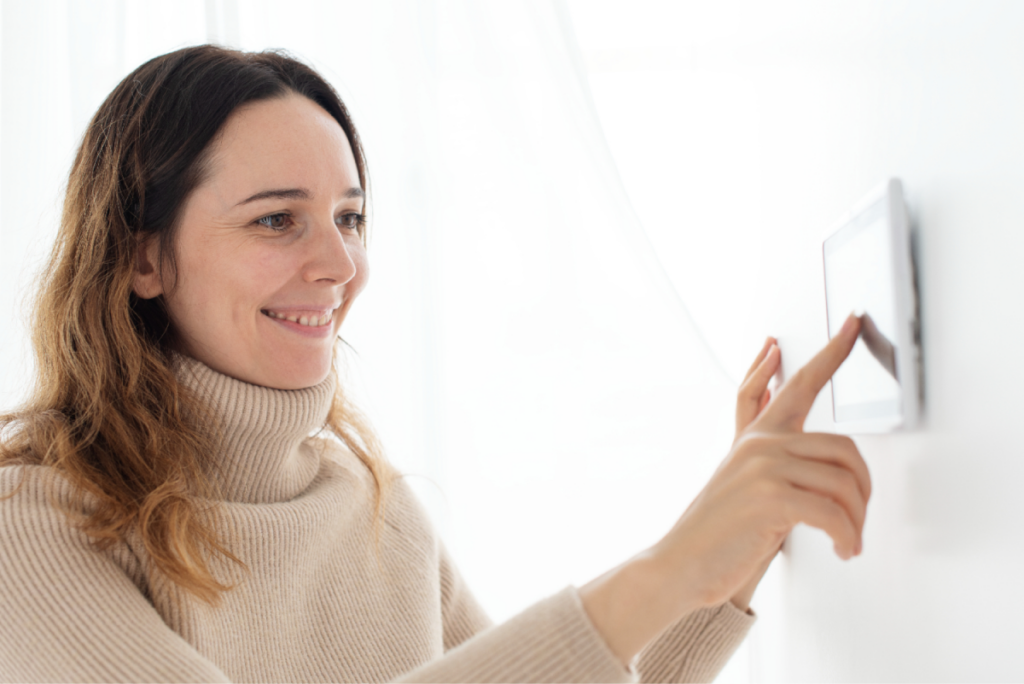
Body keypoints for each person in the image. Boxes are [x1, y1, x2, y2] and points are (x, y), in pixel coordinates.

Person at [0, 45, 870, 683]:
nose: (340, 267)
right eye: (277, 220)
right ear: (144, 259)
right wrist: (667, 570)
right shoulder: (29, 521)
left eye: (349, 217)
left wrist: (731, 560)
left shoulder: (376, 509)